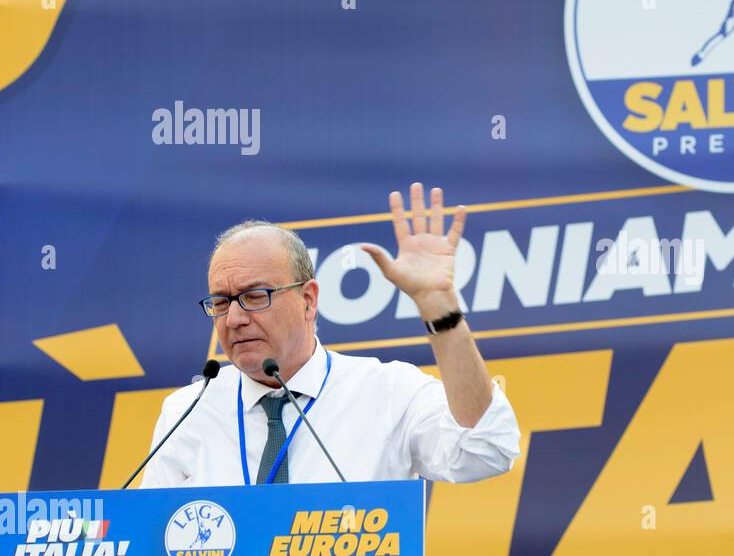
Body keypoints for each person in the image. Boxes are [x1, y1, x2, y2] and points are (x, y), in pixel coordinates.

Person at [140, 183, 520, 487]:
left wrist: (439, 305)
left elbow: (486, 448)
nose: (235, 318)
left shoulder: (387, 392)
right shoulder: (187, 411)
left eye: (255, 296)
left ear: (308, 300)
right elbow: (149, 544)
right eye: (221, 302)